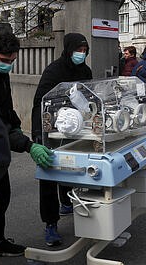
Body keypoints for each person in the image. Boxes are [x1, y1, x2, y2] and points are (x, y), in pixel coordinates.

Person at [0, 32, 52, 259]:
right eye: (5, 60)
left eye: (12, 60)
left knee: (2, 195)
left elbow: (6, 109)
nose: (9, 65)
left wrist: (17, 127)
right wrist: (27, 145)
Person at [31, 33, 92, 247]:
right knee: (49, 173)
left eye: (84, 51)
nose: (81, 54)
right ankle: (50, 224)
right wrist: (39, 135)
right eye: (78, 50)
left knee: (71, 167)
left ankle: (67, 201)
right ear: (68, 49)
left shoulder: (85, 70)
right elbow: (39, 101)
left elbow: (89, 96)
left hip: (75, 130)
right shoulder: (54, 71)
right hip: (52, 129)